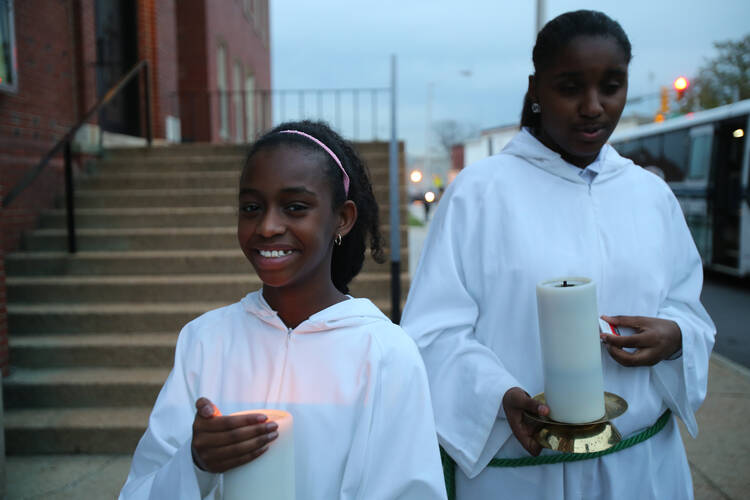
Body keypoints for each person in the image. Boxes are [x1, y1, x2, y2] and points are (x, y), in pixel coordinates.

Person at [401, 10, 715, 500]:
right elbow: (433, 333)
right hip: (521, 471)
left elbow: (687, 308)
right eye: (570, 87)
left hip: (639, 467)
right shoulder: (479, 194)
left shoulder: (650, 196)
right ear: (536, 88)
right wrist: (495, 395)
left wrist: (675, 337)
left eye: (611, 86)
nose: (593, 107)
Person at [120, 121, 447, 499]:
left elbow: (410, 490)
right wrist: (195, 463)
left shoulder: (385, 352)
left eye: (295, 207)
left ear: (342, 218)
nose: (268, 226)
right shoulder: (205, 340)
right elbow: (140, 490)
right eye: (251, 207)